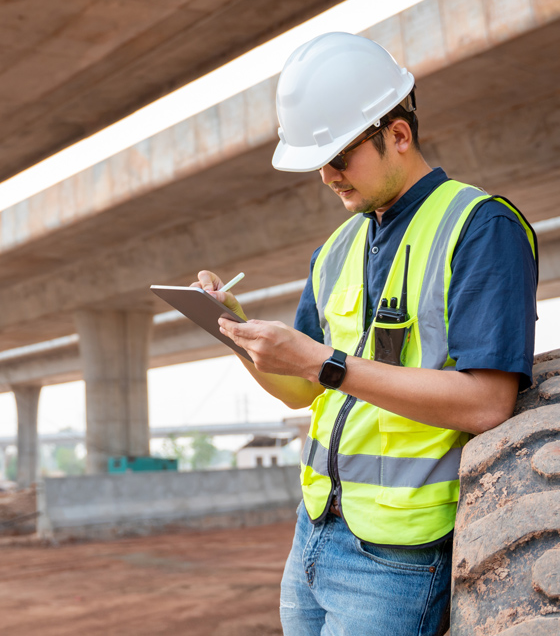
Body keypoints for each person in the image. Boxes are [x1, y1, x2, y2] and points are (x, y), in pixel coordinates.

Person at [194, 32, 537, 636]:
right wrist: (240, 336)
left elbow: (488, 403)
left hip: (398, 557)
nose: (327, 177)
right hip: (315, 532)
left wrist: (325, 363)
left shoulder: (479, 227)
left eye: (339, 158)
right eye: (317, 163)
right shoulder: (337, 249)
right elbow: (302, 391)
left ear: (398, 135)